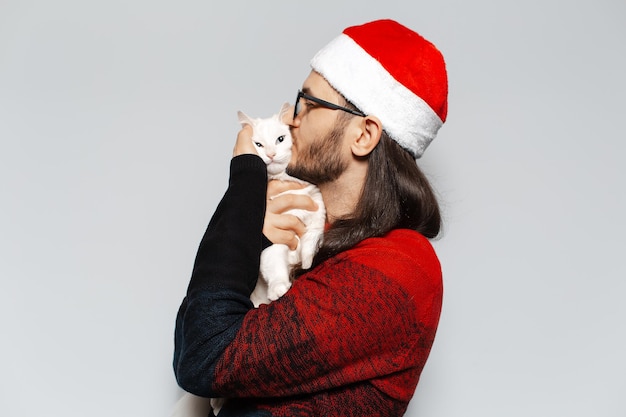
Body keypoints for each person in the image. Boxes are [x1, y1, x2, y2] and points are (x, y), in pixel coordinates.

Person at [173, 19, 448, 417]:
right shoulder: (316, 243)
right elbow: (194, 347)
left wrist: (248, 174)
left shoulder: (400, 267)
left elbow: (204, 354)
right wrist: (254, 241)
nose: (292, 118)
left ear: (364, 135)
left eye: (309, 103)